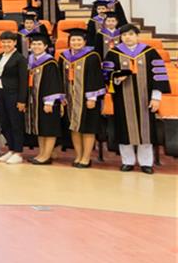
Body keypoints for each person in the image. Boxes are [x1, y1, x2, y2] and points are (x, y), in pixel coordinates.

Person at [104, 25, 170, 174]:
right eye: (125, 35)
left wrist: (156, 98)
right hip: (122, 98)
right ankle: (127, 161)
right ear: (120, 37)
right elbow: (107, 74)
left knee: (146, 131)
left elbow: (158, 76)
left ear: (137, 36)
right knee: (124, 129)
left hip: (145, 98)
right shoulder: (113, 53)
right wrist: (116, 78)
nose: (128, 37)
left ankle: (146, 163)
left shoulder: (150, 52)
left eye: (131, 34)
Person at [59, 31, 106, 168]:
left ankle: (86, 157)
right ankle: (78, 155)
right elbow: (60, 78)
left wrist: (92, 97)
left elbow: (96, 78)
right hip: (70, 99)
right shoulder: (64, 57)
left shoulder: (92, 57)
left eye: (79, 40)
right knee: (74, 128)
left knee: (88, 128)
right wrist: (62, 96)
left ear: (85, 42)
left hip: (88, 100)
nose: (76, 43)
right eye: (73, 40)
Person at [24, 33, 65, 165]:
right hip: (34, 101)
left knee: (49, 128)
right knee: (40, 128)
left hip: (47, 102)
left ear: (46, 46)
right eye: (34, 44)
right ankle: (41, 153)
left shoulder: (50, 62)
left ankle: (46, 156)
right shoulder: (30, 61)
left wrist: (49, 102)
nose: (36, 46)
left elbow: (53, 83)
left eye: (39, 44)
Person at [0, 32, 29, 165]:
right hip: (0, 93)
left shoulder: (20, 58)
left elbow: (24, 81)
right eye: (3, 42)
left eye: (9, 42)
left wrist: (22, 100)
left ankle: (18, 152)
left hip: (14, 95)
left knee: (16, 123)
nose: (6, 44)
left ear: (14, 43)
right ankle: (11, 149)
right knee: (5, 122)